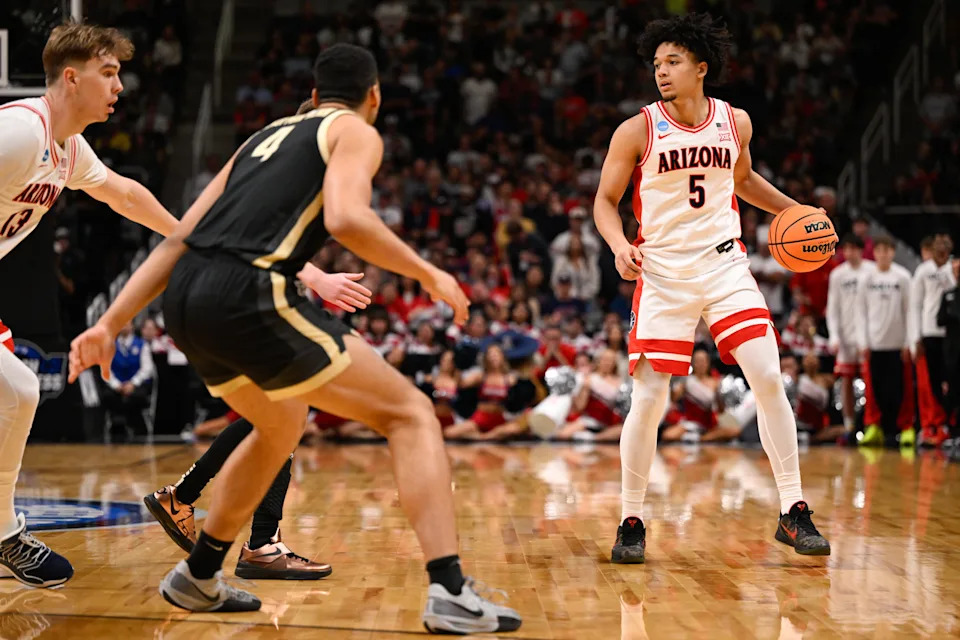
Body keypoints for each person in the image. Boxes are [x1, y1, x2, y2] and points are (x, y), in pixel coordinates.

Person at [69, 44, 521, 633]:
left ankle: (199, 575)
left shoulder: (261, 138)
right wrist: (429, 273)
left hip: (187, 299)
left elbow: (181, 237)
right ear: (374, 97)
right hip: (249, 292)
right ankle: (450, 591)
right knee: (411, 414)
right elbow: (346, 218)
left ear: (310, 96)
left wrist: (111, 321)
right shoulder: (355, 130)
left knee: (278, 424)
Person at [593, 14, 831, 564]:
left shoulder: (735, 122)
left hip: (725, 267)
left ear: (702, 68)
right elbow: (605, 201)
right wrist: (617, 245)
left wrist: (795, 210)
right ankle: (632, 518)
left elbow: (742, 181)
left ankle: (793, 511)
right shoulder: (636, 130)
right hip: (662, 272)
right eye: (656, 64)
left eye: (673, 62)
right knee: (650, 399)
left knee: (769, 376)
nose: (662, 72)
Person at [0, 23, 180, 588]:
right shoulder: (20, 133)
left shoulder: (68, 147)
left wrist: (184, 240)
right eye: (110, 72)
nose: (120, 86)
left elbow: (122, 193)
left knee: (20, 390)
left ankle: (3, 533)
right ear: (71, 78)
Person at [856, 236, 912, 447]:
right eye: (879, 250)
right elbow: (860, 313)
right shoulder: (866, 279)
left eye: (887, 250)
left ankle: (905, 428)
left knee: (900, 389)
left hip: (898, 344)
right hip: (874, 343)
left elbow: (909, 311)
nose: (883, 254)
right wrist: (863, 342)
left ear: (893, 252)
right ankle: (874, 427)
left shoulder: (903, 277)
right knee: (874, 390)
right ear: (874, 252)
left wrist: (909, 341)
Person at [826, 234, 875, 438]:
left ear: (861, 250)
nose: (849, 253)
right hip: (846, 333)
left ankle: (871, 422)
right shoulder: (838, 274)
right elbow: (832, 308)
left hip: (869, 334)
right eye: (846, 248)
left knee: (870, 379)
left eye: (854, 248)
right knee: (846, 379)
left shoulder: (871, 270)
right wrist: (834, 336)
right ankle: (848, 423)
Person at [910, 235, 955, 446]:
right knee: (932, 383)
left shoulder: (954, 269)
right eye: (938, 245)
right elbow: (915, 305)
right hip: (929, 333)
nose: (941, 249)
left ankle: (949, 425)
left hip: (952, 333)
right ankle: (933, 425)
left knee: (952, 381)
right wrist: (915, 337)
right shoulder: (923, 271)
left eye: (945, 246)